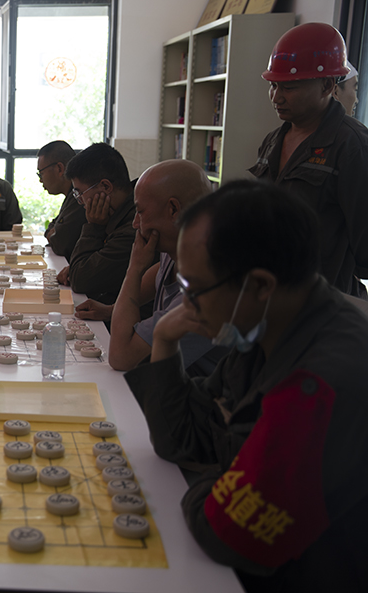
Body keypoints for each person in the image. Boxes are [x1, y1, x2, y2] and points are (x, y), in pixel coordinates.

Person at [124, 180, 368, 591]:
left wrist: (225, 478)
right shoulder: (264, 327)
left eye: (194, 289)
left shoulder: (320, 384)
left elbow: (229, 532)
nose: (186, 305)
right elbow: (181, 439)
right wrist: (164, 341)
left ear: (259, 285)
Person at [249, 22, 368, 299]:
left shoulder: (353, 146)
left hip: (322, 304)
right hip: (267, 294)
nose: (276, 97)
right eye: (273, 85)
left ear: (327, 85)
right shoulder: (271, 141)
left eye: (289, 87)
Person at [76, 159, 227, 375]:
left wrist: (135, 268)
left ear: (173, 209)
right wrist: (111, 310)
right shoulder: (182, 247)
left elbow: (121, 358)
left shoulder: (209, 287)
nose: (135, 223)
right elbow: (158, 277)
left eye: (141, 212)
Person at [59, 143, 136, 305]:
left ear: (106, 186)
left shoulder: (135, 225)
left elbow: (81, 279)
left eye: (80, 193)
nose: (80, 201)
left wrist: (93, 227)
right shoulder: (116, 213)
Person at [38, 140, 85, 258]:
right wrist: (53, 231)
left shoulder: (79, 196)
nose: (40, 180)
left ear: (59, 168)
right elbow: (53, 226)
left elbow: (60, 244)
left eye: (41, 173)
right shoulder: (70, 195)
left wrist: (54, 232)